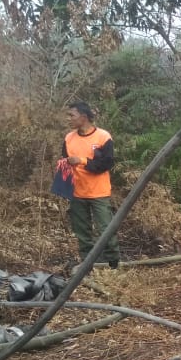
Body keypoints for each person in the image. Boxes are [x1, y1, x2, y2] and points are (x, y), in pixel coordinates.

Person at [62, 102, 120, 269]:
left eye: (71, 115)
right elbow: (65, 162)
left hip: (99, 193)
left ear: (84, 117)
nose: (69, 119)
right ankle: (87, 265)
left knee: (106, 229)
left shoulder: (103, 137)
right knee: (82, 232)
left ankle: (113, 263)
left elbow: (106, 164)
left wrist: (82, 161)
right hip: (77, 193)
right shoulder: (69, 138)